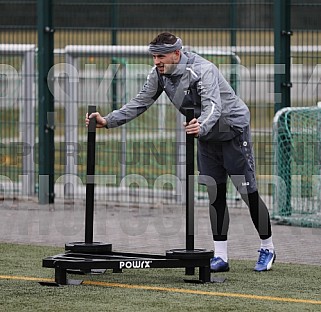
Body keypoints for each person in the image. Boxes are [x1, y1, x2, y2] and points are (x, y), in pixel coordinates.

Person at [85, 32, 276, 272]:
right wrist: (108, 120)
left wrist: (201, 125)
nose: (156, 61)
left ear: (177, 53)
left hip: (232, 133)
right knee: (215, 194)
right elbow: (140, 102)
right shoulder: (158, 75)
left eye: (161, 56)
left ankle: (267, 248)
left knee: (248, 194)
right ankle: (221, 256)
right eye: (154, 56)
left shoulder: (203, 69)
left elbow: (213, 106)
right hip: (205, 136)